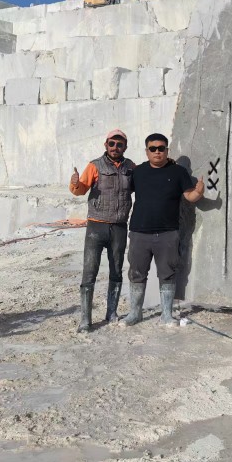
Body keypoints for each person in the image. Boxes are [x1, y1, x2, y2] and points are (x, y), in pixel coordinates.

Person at [120, 133, 204, 328]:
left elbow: (189, 196)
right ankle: (135, 313)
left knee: (167, 274)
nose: (157, 152)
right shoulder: (138, 172)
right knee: (136, 273)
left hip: (168, 233)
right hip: (139, 232)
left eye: (161, 148)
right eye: (153, 148)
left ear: (167, 150)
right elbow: (121, 192)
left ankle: (166, 315)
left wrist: (199, 192)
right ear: (146, 151)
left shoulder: (178, 172)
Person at [69, 129, 135, 333]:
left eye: (120, 144)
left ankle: (111, 313)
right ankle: (85, 320)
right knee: (89, 272)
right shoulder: (95, 165)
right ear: (105, 145)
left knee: (116, 271)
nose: (115, 147)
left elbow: (145, 182)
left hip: (119, 227)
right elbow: (80, 190)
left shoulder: (131, 167)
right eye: (112, 143)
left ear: (125, 147)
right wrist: (75, 183)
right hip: (96, 227)